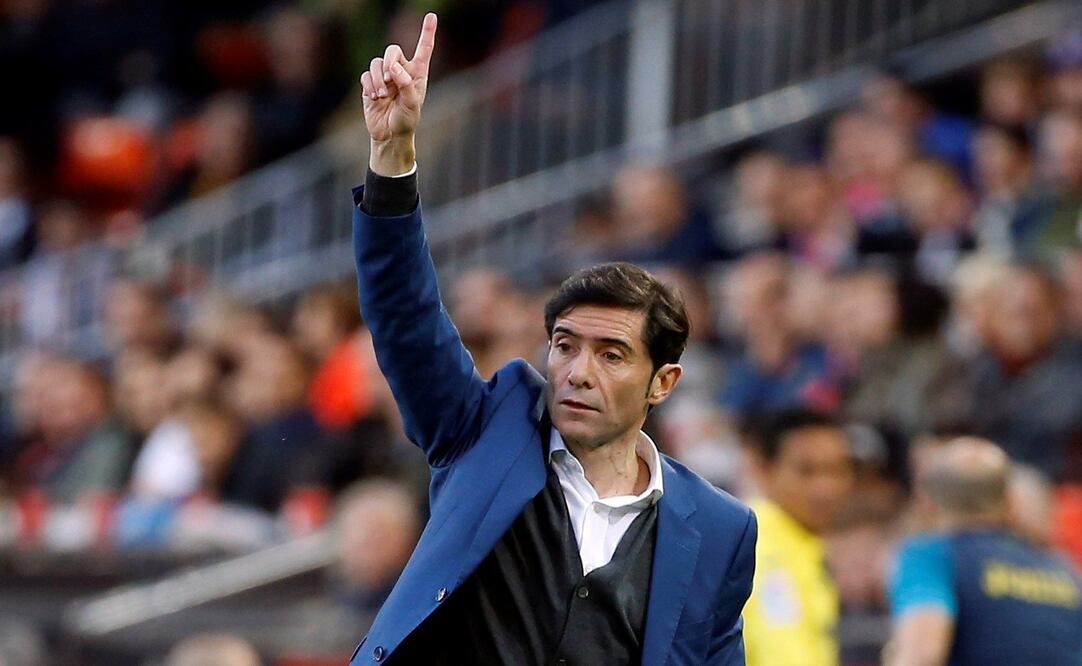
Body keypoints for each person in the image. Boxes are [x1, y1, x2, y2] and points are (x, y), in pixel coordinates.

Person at [348, 13, 756, 665]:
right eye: (565, 345)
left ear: (664, 382)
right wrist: (392, 159)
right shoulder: (485, 428)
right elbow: (405, 316)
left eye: (612, 354)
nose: (578, 371)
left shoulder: (720, 528)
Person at [887, 437, 1082, 666]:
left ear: (926, 502)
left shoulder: (932, 556)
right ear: (1009, 503)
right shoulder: (1064, 570)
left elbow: (922, 655)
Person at [740, 409, 854, 666]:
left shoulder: (802, 544)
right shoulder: (762, 551)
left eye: (836, 470)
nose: (825, 487)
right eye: (807, 471)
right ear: (765, 470)